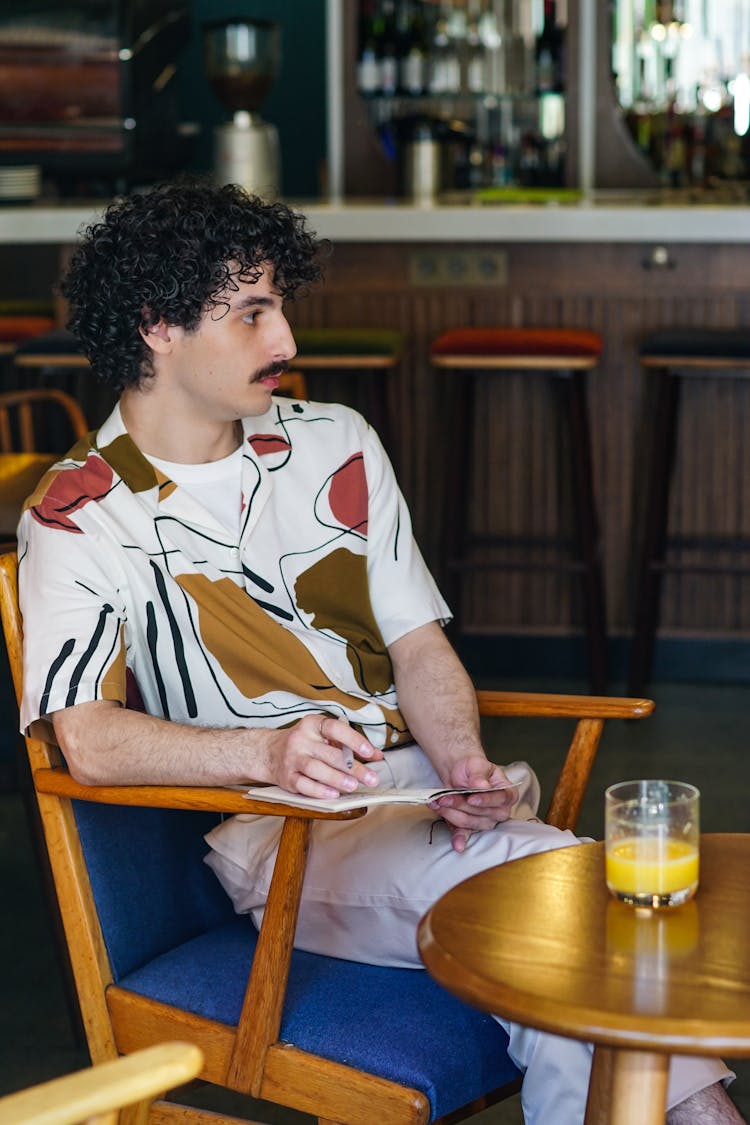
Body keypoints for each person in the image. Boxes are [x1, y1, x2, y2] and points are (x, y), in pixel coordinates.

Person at [16, 179, 743, 1125]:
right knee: (577, 909)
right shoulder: (78, 509)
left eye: (280, 306)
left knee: (575, 914)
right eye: (252, 313)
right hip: (286, 839)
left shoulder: (335, 444)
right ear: (158, 323)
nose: (285, 342)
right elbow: (88, 740)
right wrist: (266, 754)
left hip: (421, 807)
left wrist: (463, 761)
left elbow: (418, 641)